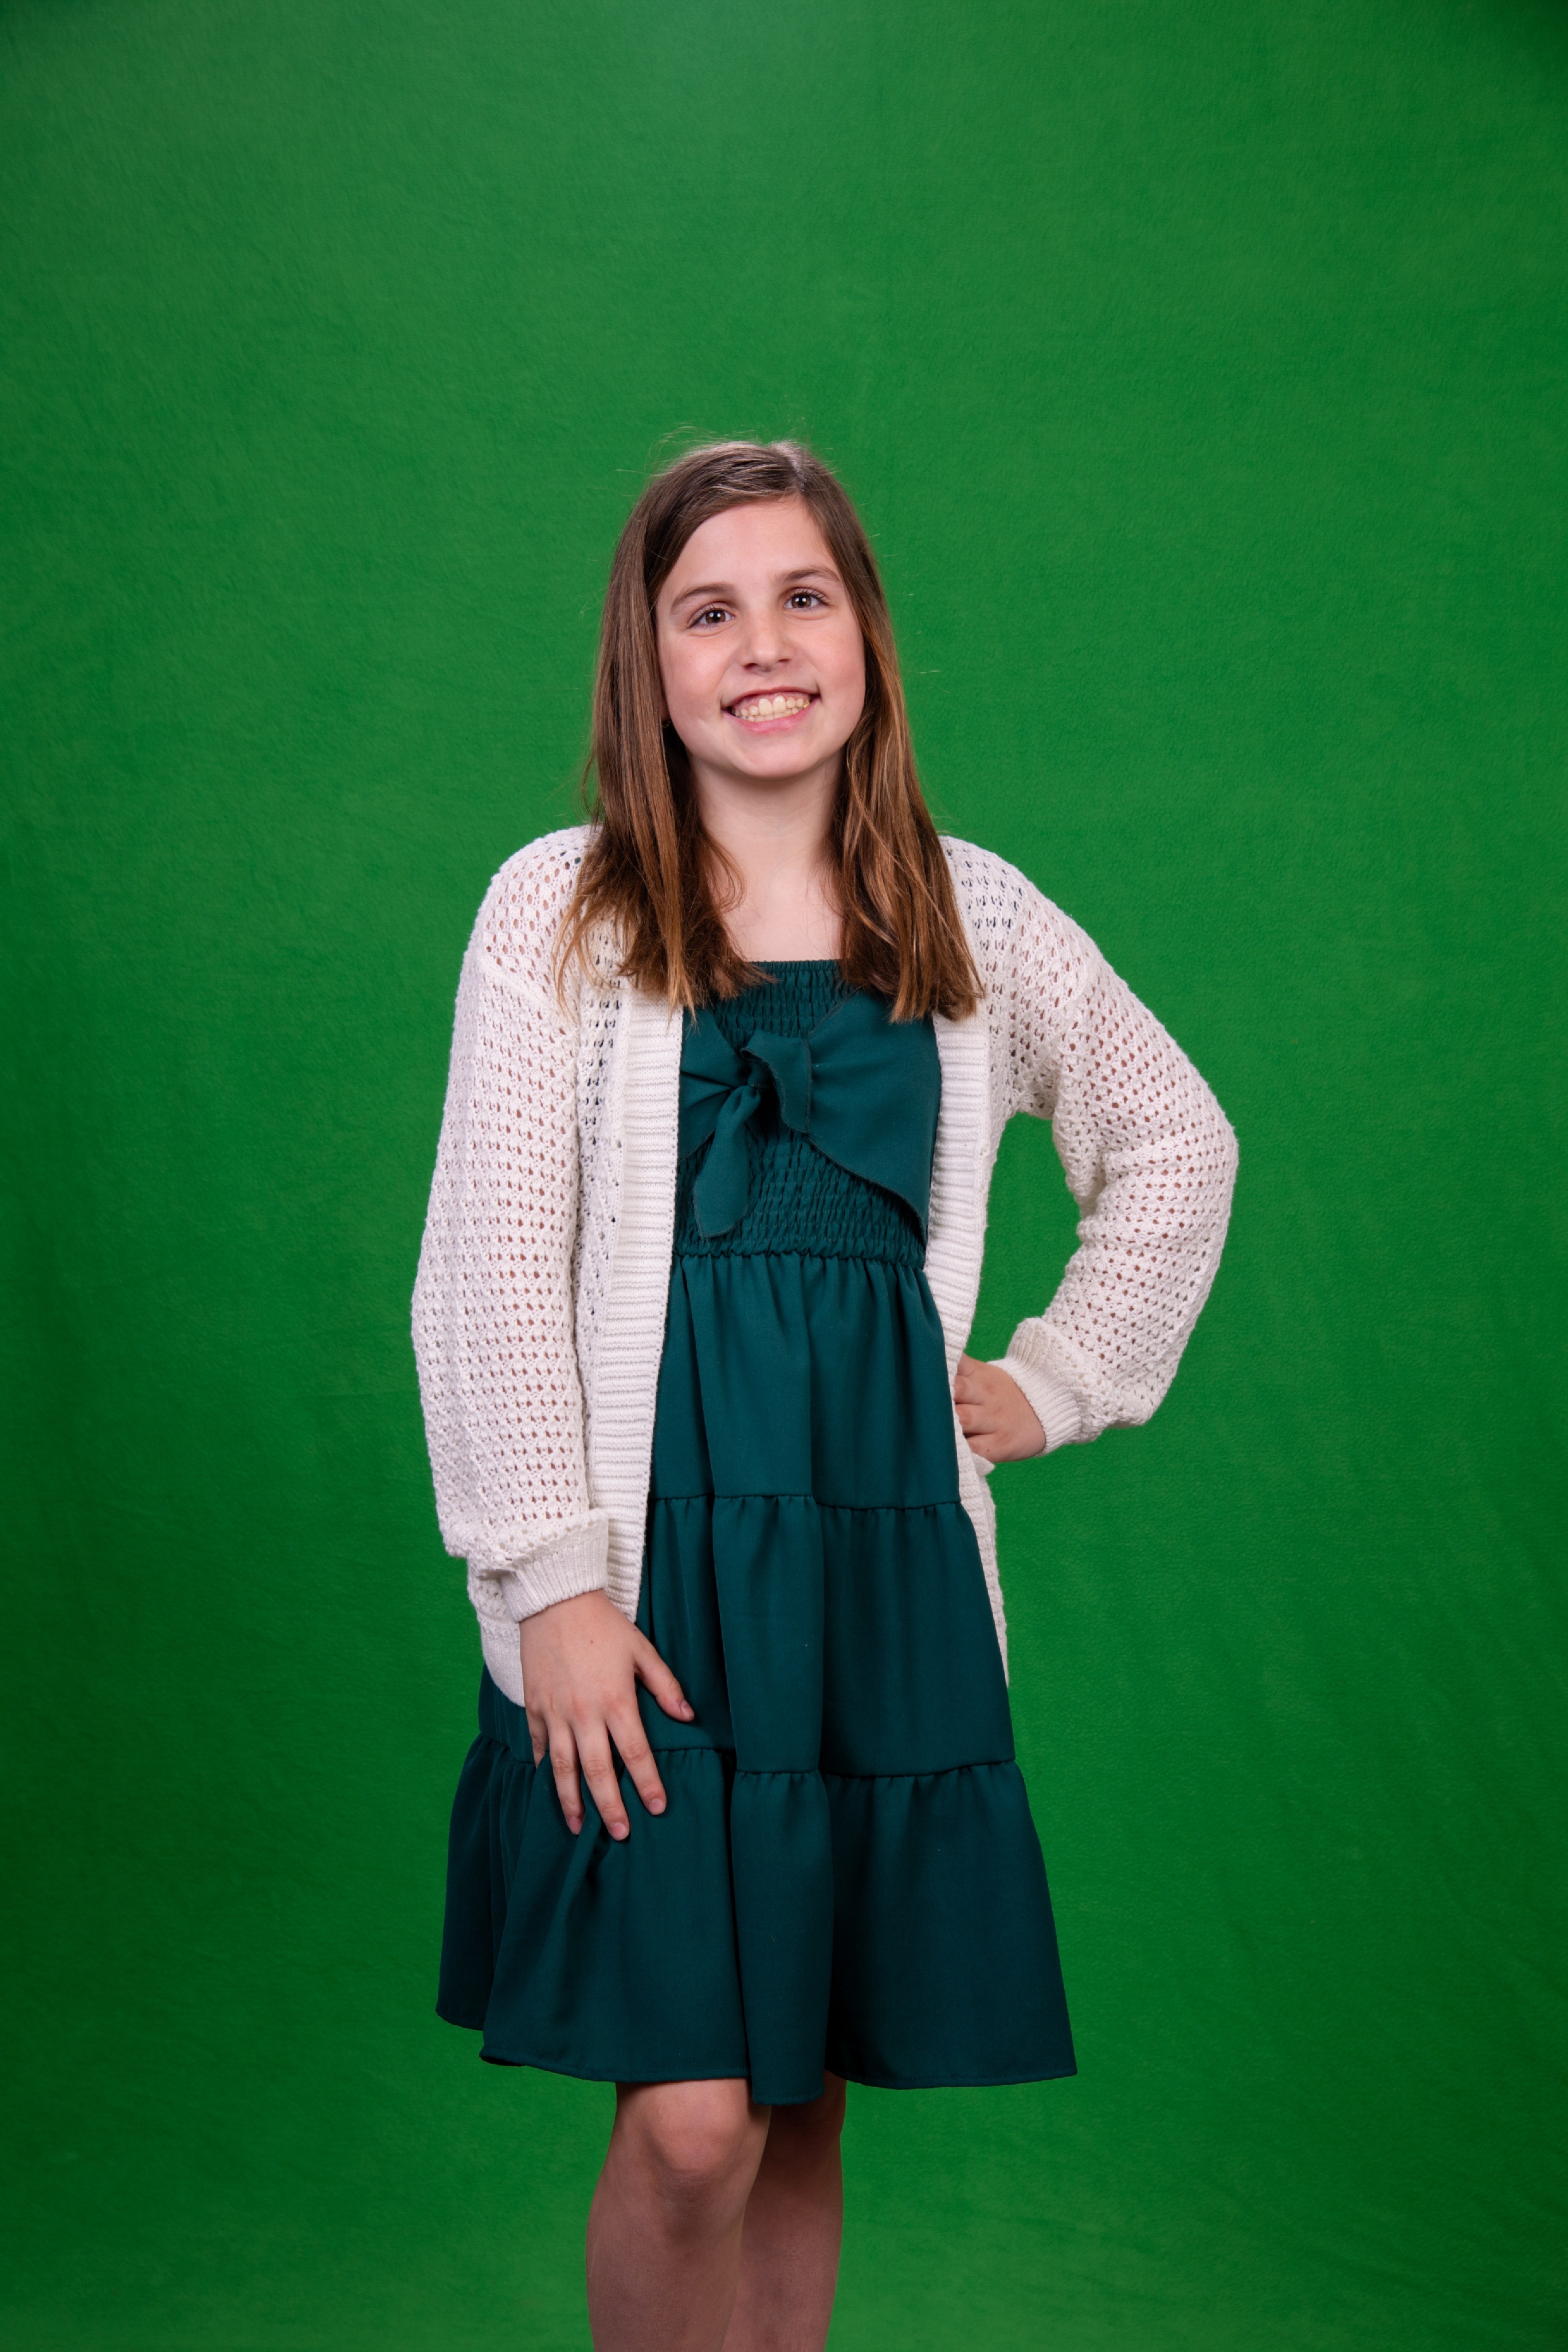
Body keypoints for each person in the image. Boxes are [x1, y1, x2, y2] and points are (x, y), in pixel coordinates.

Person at [411, 439, 1237, 2352]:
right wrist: (552, 1585)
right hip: (649, 1581)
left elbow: (1176, 1141)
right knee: (689, 2122)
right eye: (709, 612)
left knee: (797, 2101)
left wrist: (1060, 1377)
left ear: (866, 633)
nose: (764, 646)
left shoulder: (978, 917)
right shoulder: (561, 911)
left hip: (878, 1571)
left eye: (805, 598)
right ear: (650, 661)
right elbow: (485, 1270)